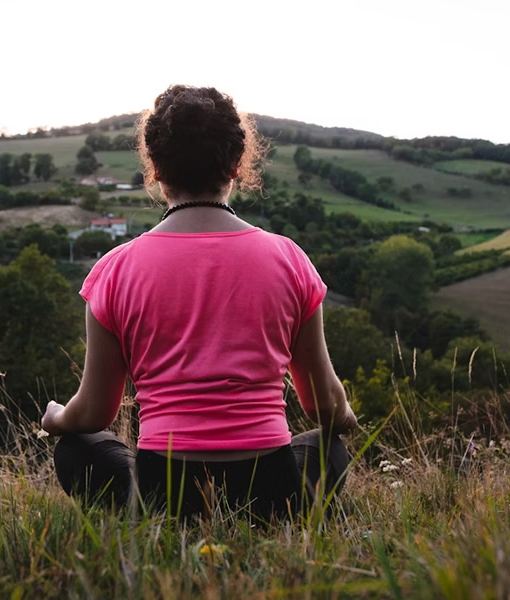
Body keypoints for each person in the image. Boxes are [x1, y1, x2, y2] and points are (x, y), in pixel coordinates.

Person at [41, 85, 357, 520]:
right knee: (328, 446)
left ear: (154, 168)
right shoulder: (290, 259)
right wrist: (343, 416)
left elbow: (94, 413)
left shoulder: (115, 269)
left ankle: (157, 520)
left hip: (164, 494)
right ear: (236, 166)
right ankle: (270, 519)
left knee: (76, 447)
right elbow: (325, 408)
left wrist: (56, 419)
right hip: (272, 494)